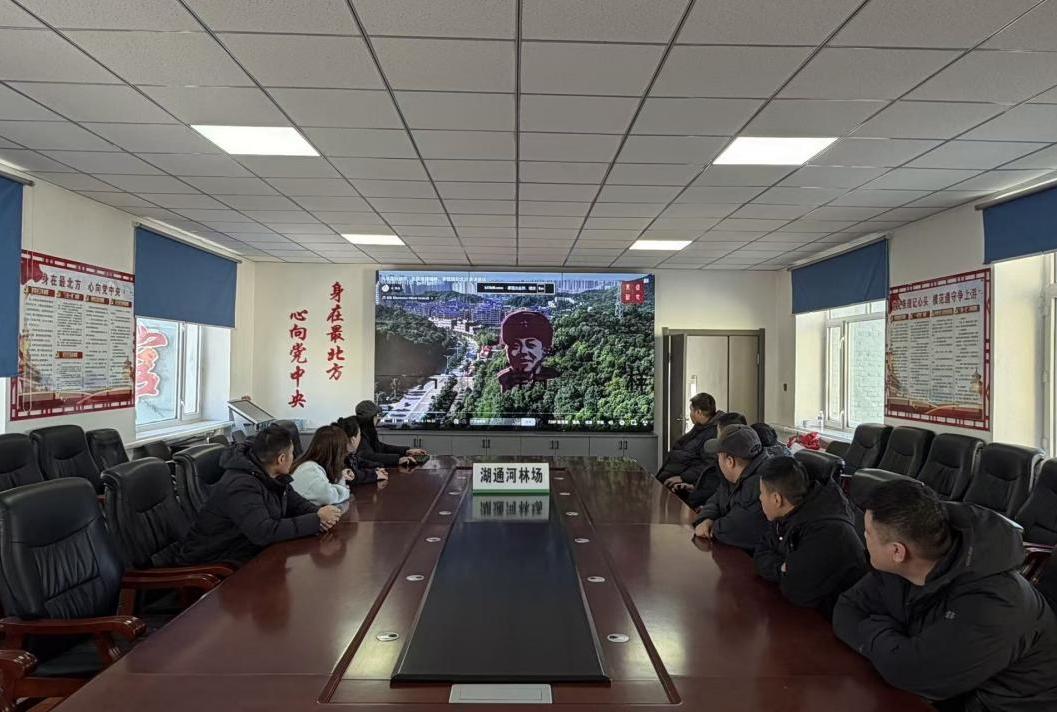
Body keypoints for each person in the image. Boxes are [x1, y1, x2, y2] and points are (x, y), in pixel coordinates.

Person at [833, 480, 1057, 712]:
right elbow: (846, 610)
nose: (864, 537)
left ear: (897, 551)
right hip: (951, 690)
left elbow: (912, 674)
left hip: (1004, 705)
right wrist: (895, 647)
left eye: (868, 533)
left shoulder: (996, 604)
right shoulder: (905, 563)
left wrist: (880, 634)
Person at [177, 424, 342, 568]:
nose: (294, 457)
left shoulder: (273, 475)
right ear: (281, 459)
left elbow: (296, 503)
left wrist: (321, 514)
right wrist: (315, 520)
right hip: (217, 561)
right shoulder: (241, 485)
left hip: (246, 552)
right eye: (292, 453)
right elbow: (264, 532)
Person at [753, 456, 867, 615]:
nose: (759, 498)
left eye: (762, 493)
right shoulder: (788, 514)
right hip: (808, 611)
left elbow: (795, 590)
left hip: (832, 619)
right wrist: (782, 568)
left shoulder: (828, 532)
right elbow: (760, 552)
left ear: (776, 499)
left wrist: (784, 568)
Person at [692, 424, 770, 552]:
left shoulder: (762, 484)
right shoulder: (734, 476)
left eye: (719, 456)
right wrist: (707, 518)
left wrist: (712, 527)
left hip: (750, 559)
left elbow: (735, 528)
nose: (718, 461)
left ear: (730, 461)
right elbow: (716, 500)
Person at [681, 411, 748, 509]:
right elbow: (718, 494)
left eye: (718, 433)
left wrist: (707, 511)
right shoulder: (723, 459)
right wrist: (695, 488)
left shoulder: (731, 465)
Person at [657, 392, 722, 489]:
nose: (690, 414)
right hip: (674, 470)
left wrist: (683, 478)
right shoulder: (700, 426)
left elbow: (708, 464)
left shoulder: (713, 433)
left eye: (691, 410)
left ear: (698, 412)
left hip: (682, 477)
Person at [496, 310, 559, 392]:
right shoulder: (505, 378)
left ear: (545, 349)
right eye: (515, 346)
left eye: (531, 345)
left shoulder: (552, 376)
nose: (523, 351)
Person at [289, 425, 353, 506]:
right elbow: (328, 497)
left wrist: (340, 476)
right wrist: (345, 490)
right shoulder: (309, 469)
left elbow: (325, 488)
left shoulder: (312, 466)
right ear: (336, 454)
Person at [354, 400, 427, 468]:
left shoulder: (368, 431)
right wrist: (398, 459)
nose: (378, 418)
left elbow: (381, 447)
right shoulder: (359, 434)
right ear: (370, 418)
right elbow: (369, 456)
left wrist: (406, 451)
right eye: (376, 416)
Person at [334, 416, 387, 485]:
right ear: (353, 440)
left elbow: (360, 462)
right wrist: (375, 474)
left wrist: (377, 468)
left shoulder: (348, 455)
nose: (360, 439)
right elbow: (352, 476)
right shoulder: (338, 459)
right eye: (359, 435)